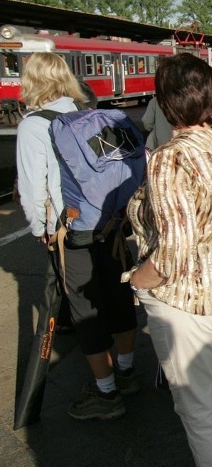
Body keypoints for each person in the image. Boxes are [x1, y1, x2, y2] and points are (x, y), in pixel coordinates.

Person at [124, 53, 212, 466]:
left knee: (197, 408)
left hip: (186, 298)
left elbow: (174, 249)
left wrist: (138, 280)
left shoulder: (170, 156)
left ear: (165, 101)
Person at [17, 52, 138, 421]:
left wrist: (41, 229)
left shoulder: (34, 125)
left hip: (73, 229)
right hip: (113, 224)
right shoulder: (89, 113)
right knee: (118, 296)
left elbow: (32, 186)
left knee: (86, 311)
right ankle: (128, 372)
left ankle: (105, 394)